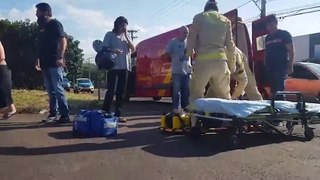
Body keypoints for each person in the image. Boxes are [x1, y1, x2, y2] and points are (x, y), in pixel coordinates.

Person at [186, 0, 236, 106]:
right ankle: (228, 120)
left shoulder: (199, 17)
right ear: (217, 9)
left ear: (205, 8)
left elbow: (191, 39)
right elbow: (231, 45)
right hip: (221, 63)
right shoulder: (226, 20)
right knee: (225, 97)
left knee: (196, 95)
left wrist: (187, 56)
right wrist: (232, 66)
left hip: (203, 62)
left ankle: (195, 121)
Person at [35, 2, 70, 123]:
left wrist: (60, 57)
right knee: (50, 91)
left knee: (58, 89)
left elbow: (63, 40)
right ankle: (53, 114)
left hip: (55, 62)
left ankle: (64, 115)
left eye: (38, 12)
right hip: (44, 63)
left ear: (45, 12)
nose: (36, 14)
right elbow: (41, 46)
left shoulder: (55, 24)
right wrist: (38, 59)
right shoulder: (42, 28)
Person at [102, 16, 135, 122]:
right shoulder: (110, 35)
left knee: (121, 92)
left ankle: (118, 114)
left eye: (125, 25)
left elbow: (133, 49)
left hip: (125, 67)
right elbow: (104, 48)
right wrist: (113, 50)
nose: (124, 27)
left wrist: (126, 35)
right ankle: (105, 111)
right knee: (111, 90)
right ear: (117, 25)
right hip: (113, 66)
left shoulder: (127, 36)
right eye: (122, 25)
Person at [265, 14, 294, 99]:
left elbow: (291, 51)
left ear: (276, 23)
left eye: (271, 24)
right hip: (270, 67)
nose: (270, 27)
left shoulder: (284, 34)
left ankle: (281, 110)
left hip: (280, 66)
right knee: (273, 90)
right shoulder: (267, 38)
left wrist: (290, 66)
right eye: (268, 25)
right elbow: (266, 52)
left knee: (280, 90)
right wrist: (265, 63)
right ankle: (274, 108)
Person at [165, 26, 192, 114]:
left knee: (186, 90)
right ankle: (176, 108)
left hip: (187, 70)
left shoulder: (189, 42)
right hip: (177, 71)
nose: (186, 35)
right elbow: (166, 54)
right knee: (176, 91)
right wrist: (175, 58)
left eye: (187, 33)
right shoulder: (173, 42)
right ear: (180, 33)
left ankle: (185, 108)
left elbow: (193, 54)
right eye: (184, 33)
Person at [237, 17, 263, 100]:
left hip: (234, 59)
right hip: (244, 59)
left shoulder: (232, 27)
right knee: (250, 85)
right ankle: (259, 104)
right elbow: (248, 46)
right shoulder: (242, 27)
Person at [0, 41, 17, 119]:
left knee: (4, 91)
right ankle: (10, 108)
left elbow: (2, 56)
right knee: (4, 91)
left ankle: (11, 108)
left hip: (1, 68)